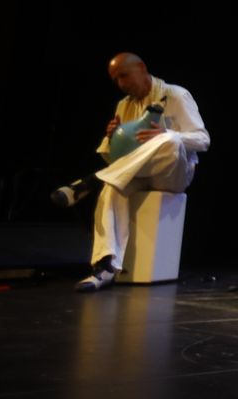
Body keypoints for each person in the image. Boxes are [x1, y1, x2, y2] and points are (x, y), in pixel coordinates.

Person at [51, 53, 210, 292]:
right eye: (115, 80)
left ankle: (90, 181)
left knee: (169, 141)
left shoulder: (176, 95)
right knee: (112, 187)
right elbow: (116, 160)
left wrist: (167, 134)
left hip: (173, 174)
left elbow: (203, 140)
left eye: (124, 75)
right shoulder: (123, 105)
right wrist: (111, 139)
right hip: (138, 173)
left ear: (142, 68)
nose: (121, 84)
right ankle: (104, 267)